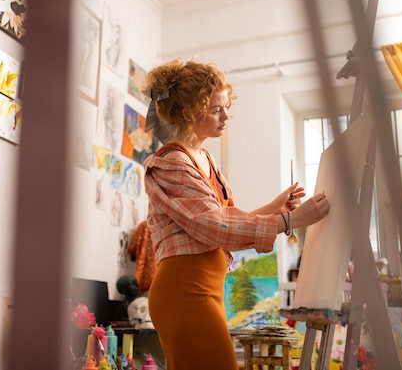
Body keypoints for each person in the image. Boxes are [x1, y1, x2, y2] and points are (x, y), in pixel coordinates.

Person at [141, 58, 330, 370]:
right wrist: (291, 221)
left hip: (204, 291)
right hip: (184, 291)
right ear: (190, 112)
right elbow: (215, 227)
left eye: (226, 107)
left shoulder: (204, 159)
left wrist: (273, 208)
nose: (226, 116)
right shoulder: (171, 163)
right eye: (216, 109)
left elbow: (221, 221)